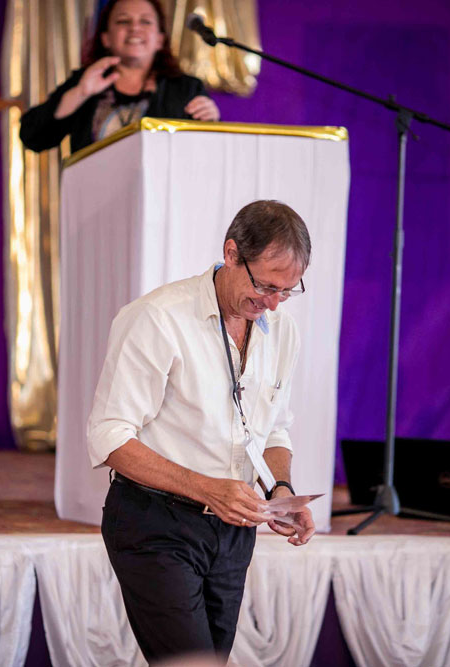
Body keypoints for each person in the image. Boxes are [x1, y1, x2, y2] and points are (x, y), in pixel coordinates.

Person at [87, 200, 316, 663]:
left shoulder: (282, 330)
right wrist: (208, 488)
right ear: (231, 254)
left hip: (234, 530)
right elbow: (109, 436)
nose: (273, 304)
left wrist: (281, 492)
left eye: (287, 291)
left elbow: (274, 431)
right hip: (156, 522)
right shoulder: (157, 317)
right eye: (265, 285)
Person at [19, 0, 219, 154]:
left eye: (145, 21)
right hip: (95, 194)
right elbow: (32, 137)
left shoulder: (186, 88)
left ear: (160, 39)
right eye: (123, 21)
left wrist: (211, 125)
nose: (134, 28)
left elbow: (205, 155)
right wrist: (80, 93)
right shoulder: (86, 81)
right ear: (106, 38)